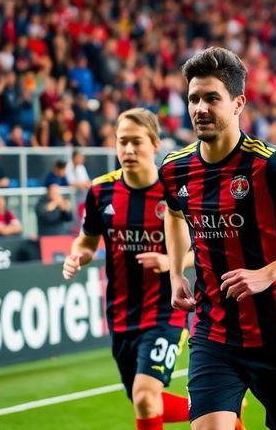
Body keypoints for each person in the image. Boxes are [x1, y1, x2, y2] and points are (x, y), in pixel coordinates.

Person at [160, 47, 276, 430]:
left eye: (212, 98)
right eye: (194, 98)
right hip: (213, 332)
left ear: (237, 103)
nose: (200, 108)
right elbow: (174, 215)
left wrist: (268, 273)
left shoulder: (270, 165)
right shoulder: (175, 169)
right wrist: (176, 273)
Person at [63, 108, 203, 430]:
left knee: (144, 394)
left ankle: (219, 407)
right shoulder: (101, 191)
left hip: (166, 311)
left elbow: (203, 251)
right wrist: (78, 256)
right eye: (121, 142)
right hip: (122, 315)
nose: (127, 150)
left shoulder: (175, 191)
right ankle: (222, 408)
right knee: (144, 400)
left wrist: (172, 262)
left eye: (136, 142)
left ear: (154, 144)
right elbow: (85, 242)